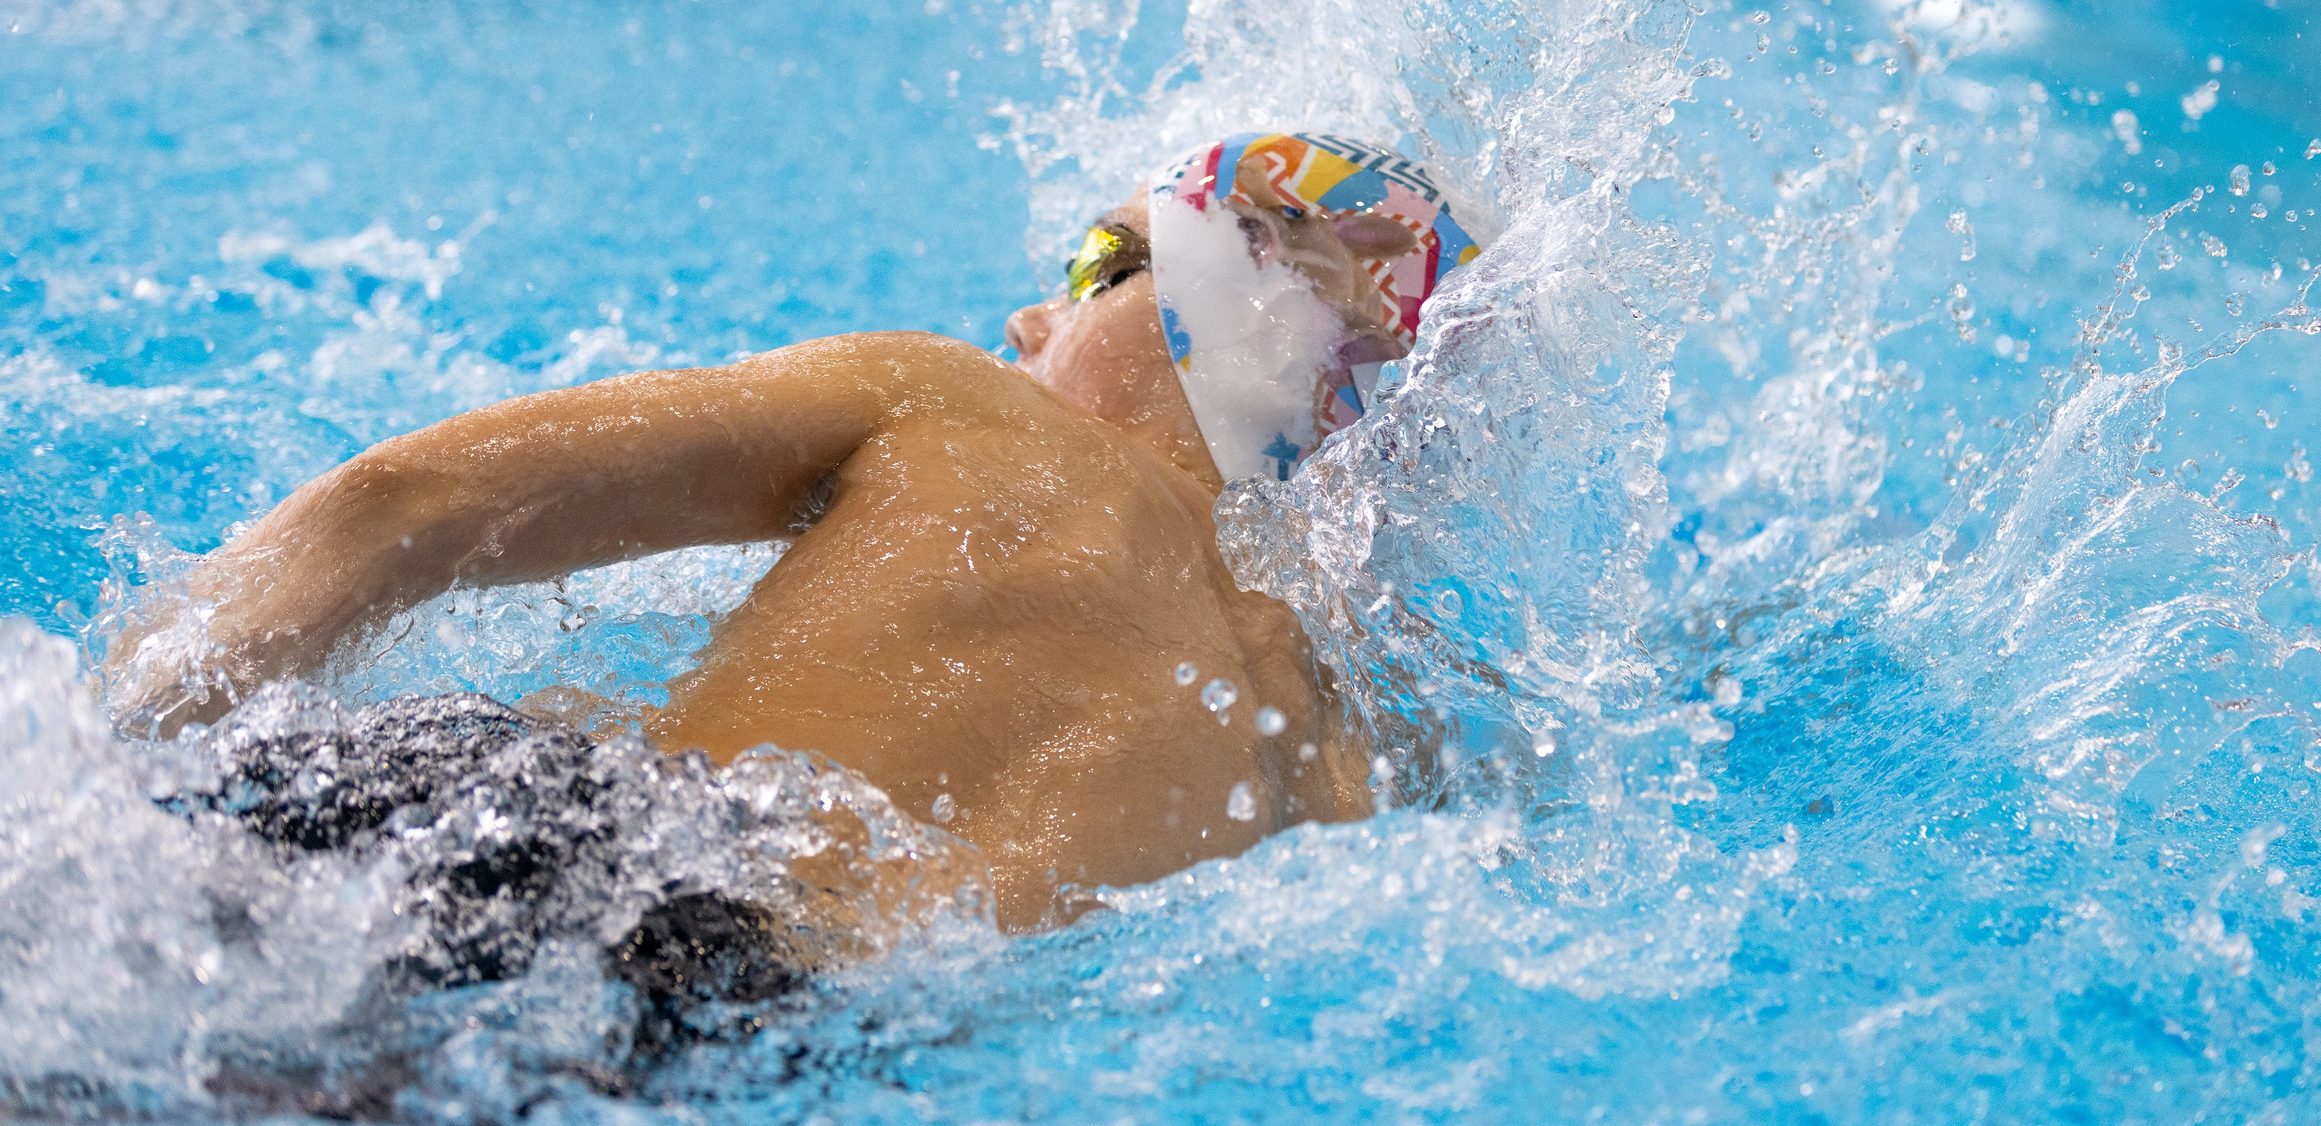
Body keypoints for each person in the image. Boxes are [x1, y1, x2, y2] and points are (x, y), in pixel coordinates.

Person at [107, 131, 1483, 938]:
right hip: (776, 1034)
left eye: (1093, 266)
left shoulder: (969, 413)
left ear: (1258, 303)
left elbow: (402, 503)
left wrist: (113, 737)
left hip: (598, 875)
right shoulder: (1346, 745)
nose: (1029, 323)